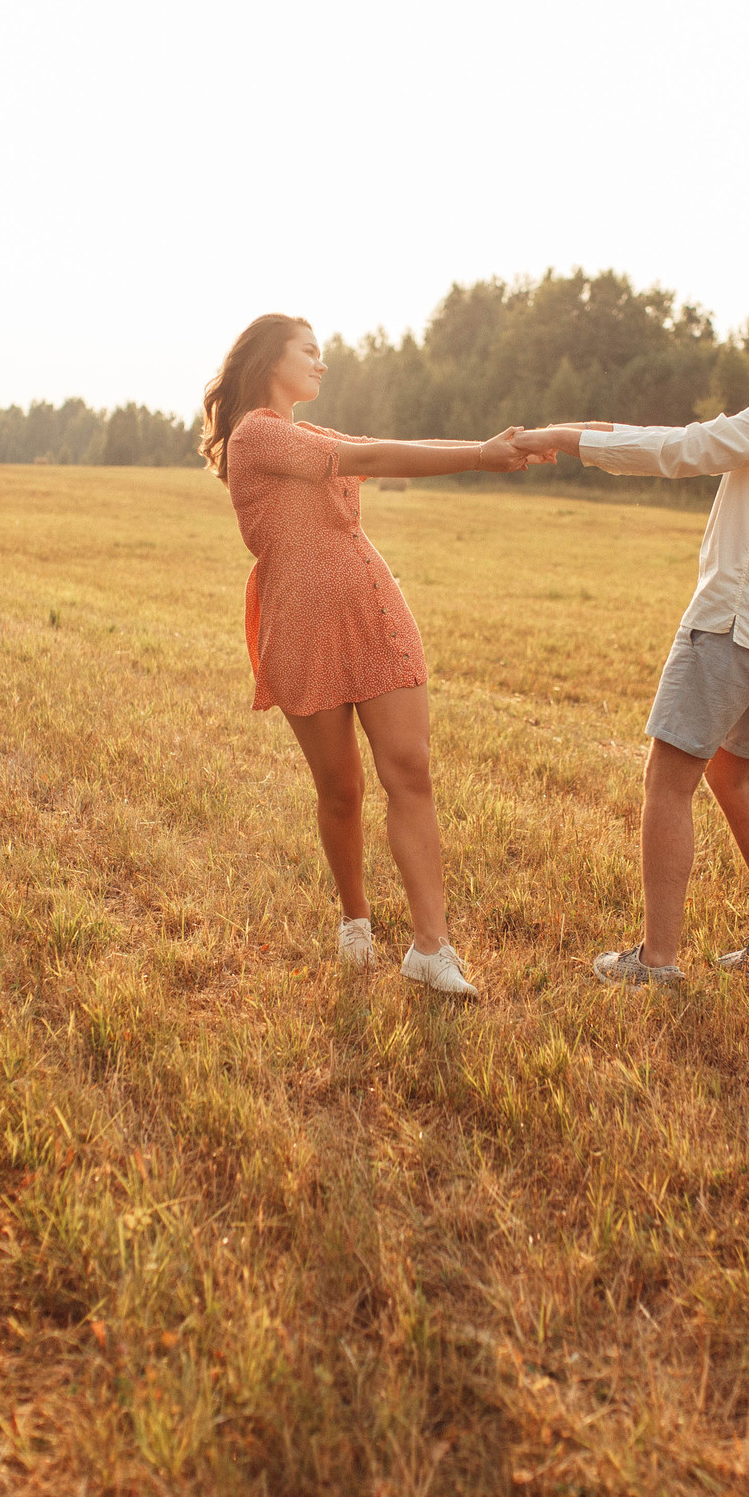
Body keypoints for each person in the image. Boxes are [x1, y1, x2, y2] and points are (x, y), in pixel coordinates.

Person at [513, 264, 749, 984]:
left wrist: (569, 440)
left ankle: (657, 961)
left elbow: (683, 449)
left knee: (669, 778)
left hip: (739, 619)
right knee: (735, 774)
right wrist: (575, 429)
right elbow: (691, 436)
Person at [203, 313, 543, 997]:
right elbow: (374, 458)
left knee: (409, 769)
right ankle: (355, 919)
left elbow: (386, 445)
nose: (322, 363)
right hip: (301, 628)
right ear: (272, 359)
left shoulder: (305, 434)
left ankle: (431, 947)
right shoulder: (257, 434)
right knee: (342, 789)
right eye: (311, 351)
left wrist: (486, 445)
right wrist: (480, 454)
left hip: (371, 608)